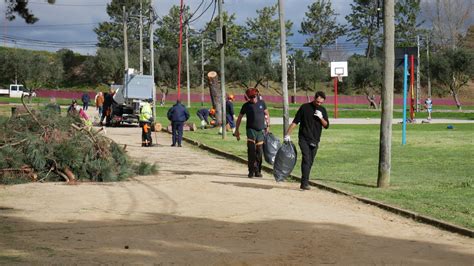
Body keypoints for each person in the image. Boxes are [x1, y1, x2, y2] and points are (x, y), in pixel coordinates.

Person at [285, 91, 329, 190]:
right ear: (314, 98)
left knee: (310, 161)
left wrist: (321, 117)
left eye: (321, 102)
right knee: (306, 158)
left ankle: (305, 181)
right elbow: (295, 121)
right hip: (304, 138)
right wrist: (287, 135)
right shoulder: (304, 107)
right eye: (317, 102)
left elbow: (326, 125)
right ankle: (304, 183)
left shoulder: (322, 110)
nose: (319, 104)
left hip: (315, 139)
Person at [234, 88, 270, 178]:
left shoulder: (262, 103)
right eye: (250, 97)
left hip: (260, 130)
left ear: (257, 95)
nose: (252, 99)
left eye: (253, 97)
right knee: (251, 151)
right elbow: (239, 118)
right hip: (251, 130)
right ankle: (251, 171)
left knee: (259, 152)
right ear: (248, 97)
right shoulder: (246, 106)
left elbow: (267, 114)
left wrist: (268, 125)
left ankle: (258, 170)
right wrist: (237, 130)